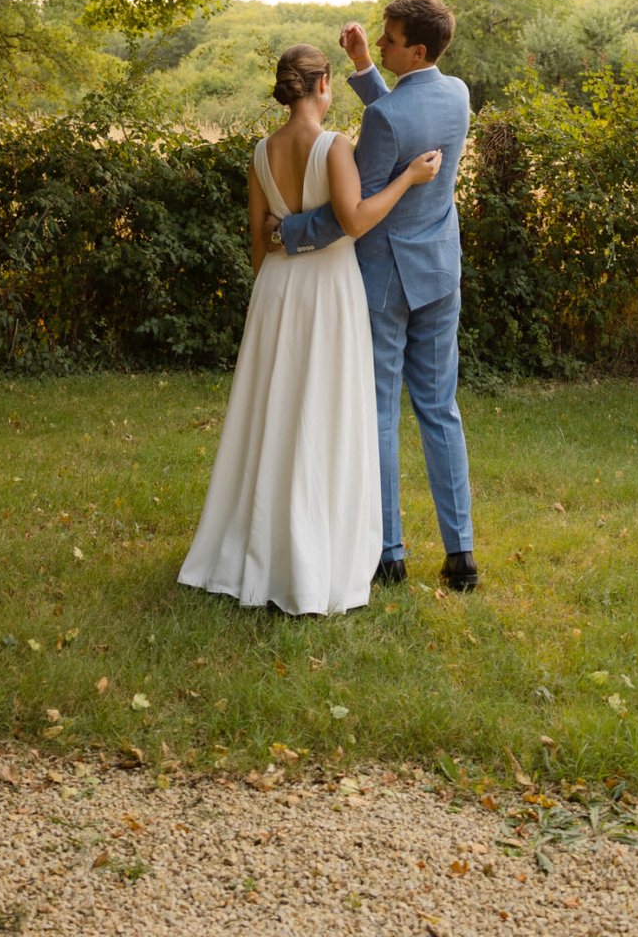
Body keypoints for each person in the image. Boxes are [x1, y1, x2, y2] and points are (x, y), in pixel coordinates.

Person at [177, 42, 442, 615]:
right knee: (324, 413)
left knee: (273, 414)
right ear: (324, 84)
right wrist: (408, 181)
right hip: (328, 291)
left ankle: (265, 544)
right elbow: (354, 221)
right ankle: (316, 550)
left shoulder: (259, 151)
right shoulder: (334, 146)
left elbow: (257, 239)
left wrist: (271, 293)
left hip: (276, 289)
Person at [268, 0, 478, 592]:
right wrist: (364, 69)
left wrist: (289, 232)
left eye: (387, 41)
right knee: (440, 409)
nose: (379, 45)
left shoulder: (385, 121)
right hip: (440, 271)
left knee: (382, 412)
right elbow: (405, 118)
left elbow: (349, 211)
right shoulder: (456, 94)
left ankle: (390, 554)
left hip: (385, 278)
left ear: (415, 50)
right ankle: (461, 554)